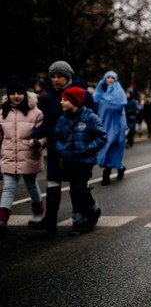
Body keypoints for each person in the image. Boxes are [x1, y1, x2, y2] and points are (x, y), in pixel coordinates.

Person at [29, 60, 97, 234]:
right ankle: (50, 222)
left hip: (76, 148)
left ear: (68, 77)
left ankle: (84, 217)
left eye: (60, 76)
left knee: (77, 187)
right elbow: (48, 121)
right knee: (52, 182)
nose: (56, 80)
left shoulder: (82, 95)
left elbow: (93, 119)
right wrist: (35, 135)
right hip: (55, 147)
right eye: (53, 76)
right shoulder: (50, 97)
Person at [55, 87, 107, 235]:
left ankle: (93, 210)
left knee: (79, 188)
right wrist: (62, 150)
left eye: (65, 99)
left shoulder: (90, 117)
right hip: (69, 161)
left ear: (74, 101)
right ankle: (78, 222)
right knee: (74, 191)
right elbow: (57, 137)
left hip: (85, 161)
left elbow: (102, 137)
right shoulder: (63, 119)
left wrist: (86, 148)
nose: (61, 102)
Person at [0, 78, 46, 235]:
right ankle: (2, 220)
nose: (16, 96)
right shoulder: (2, 113)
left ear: (25, 94)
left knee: (31, 185)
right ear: (8, 95)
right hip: (8, 155)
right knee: (8, 188)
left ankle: (39, 213)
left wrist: (38, 143)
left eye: (19, 93)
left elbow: (43, 134)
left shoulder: (36, 113)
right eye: (12, 93)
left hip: (29, 154)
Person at [93, 70, 127, 185]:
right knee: (103, 148)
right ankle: (120, 167)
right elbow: (94, 105)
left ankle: (106, 175)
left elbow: (119, 107)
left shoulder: (119, 92)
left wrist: (108, 100)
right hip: (103, 125)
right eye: (108, 77)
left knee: (110, 147)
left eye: (113, 78)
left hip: (115, 125)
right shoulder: (100, 90)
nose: (110, 79)